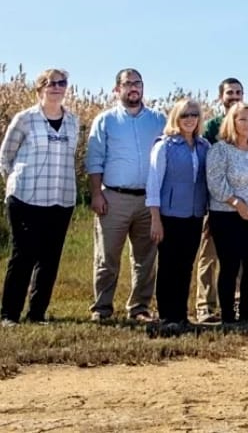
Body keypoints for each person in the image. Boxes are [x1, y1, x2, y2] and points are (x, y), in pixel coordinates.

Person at [84, 68, 167, 322]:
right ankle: (102, 308)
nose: (133, 88)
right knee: (107, 256)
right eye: (128, 83)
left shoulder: (158, 120)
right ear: (117, 89)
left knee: (146, 258)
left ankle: (139, 307)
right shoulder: (106, 120)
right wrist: (96, 194)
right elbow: (94, 159)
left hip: (149, 200)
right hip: (114, 198)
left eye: (137, 83)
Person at [0, 69, 80, 326]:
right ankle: (9, 314)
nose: (56, 87)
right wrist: (15, 182)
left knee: (50, 257)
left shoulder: (73, 122)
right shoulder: (25, 119)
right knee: (23, 255)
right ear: (39, 89)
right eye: (50, 83)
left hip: (60, 197)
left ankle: (37, 314)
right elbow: (5, 156)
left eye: (61, 83)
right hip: (25, 197)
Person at [145, 99, 209, 329]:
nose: (190, 119)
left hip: (195, 215)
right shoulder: (164, 145)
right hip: (169, 215)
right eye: (184, 115)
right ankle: (167, 316)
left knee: (185, 266)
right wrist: (155, 219)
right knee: (168, 266)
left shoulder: (204, 146)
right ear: (176, 118)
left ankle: (181, 315)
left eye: (194, 115)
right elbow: (154, 183)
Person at [205, 102, 248, 324]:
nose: (247, 124)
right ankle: (228, 315)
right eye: (242, 119)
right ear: (232, 122)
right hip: (226, 214)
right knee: (230, 266)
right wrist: (237, 203)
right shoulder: (220, 149)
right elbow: (215, 182)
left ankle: (247, 311)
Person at [197, 77, 243, 324]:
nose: (234, 97)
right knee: (209, 255)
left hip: (244, 203)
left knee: (239, 256)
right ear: (220, 97)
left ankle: (237, 301)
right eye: (229, 93)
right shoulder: (212, 127)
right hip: (215, 202)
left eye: (238, 92)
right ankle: (205, 305)